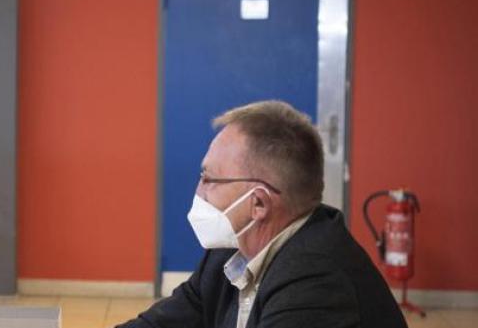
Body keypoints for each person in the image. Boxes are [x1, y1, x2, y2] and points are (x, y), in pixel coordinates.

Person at [118, 101, 405, 328]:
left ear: (258, 204)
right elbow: (166, 321)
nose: (198, 192)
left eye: (209, 179)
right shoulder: (230, 253)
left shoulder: (316, 283)